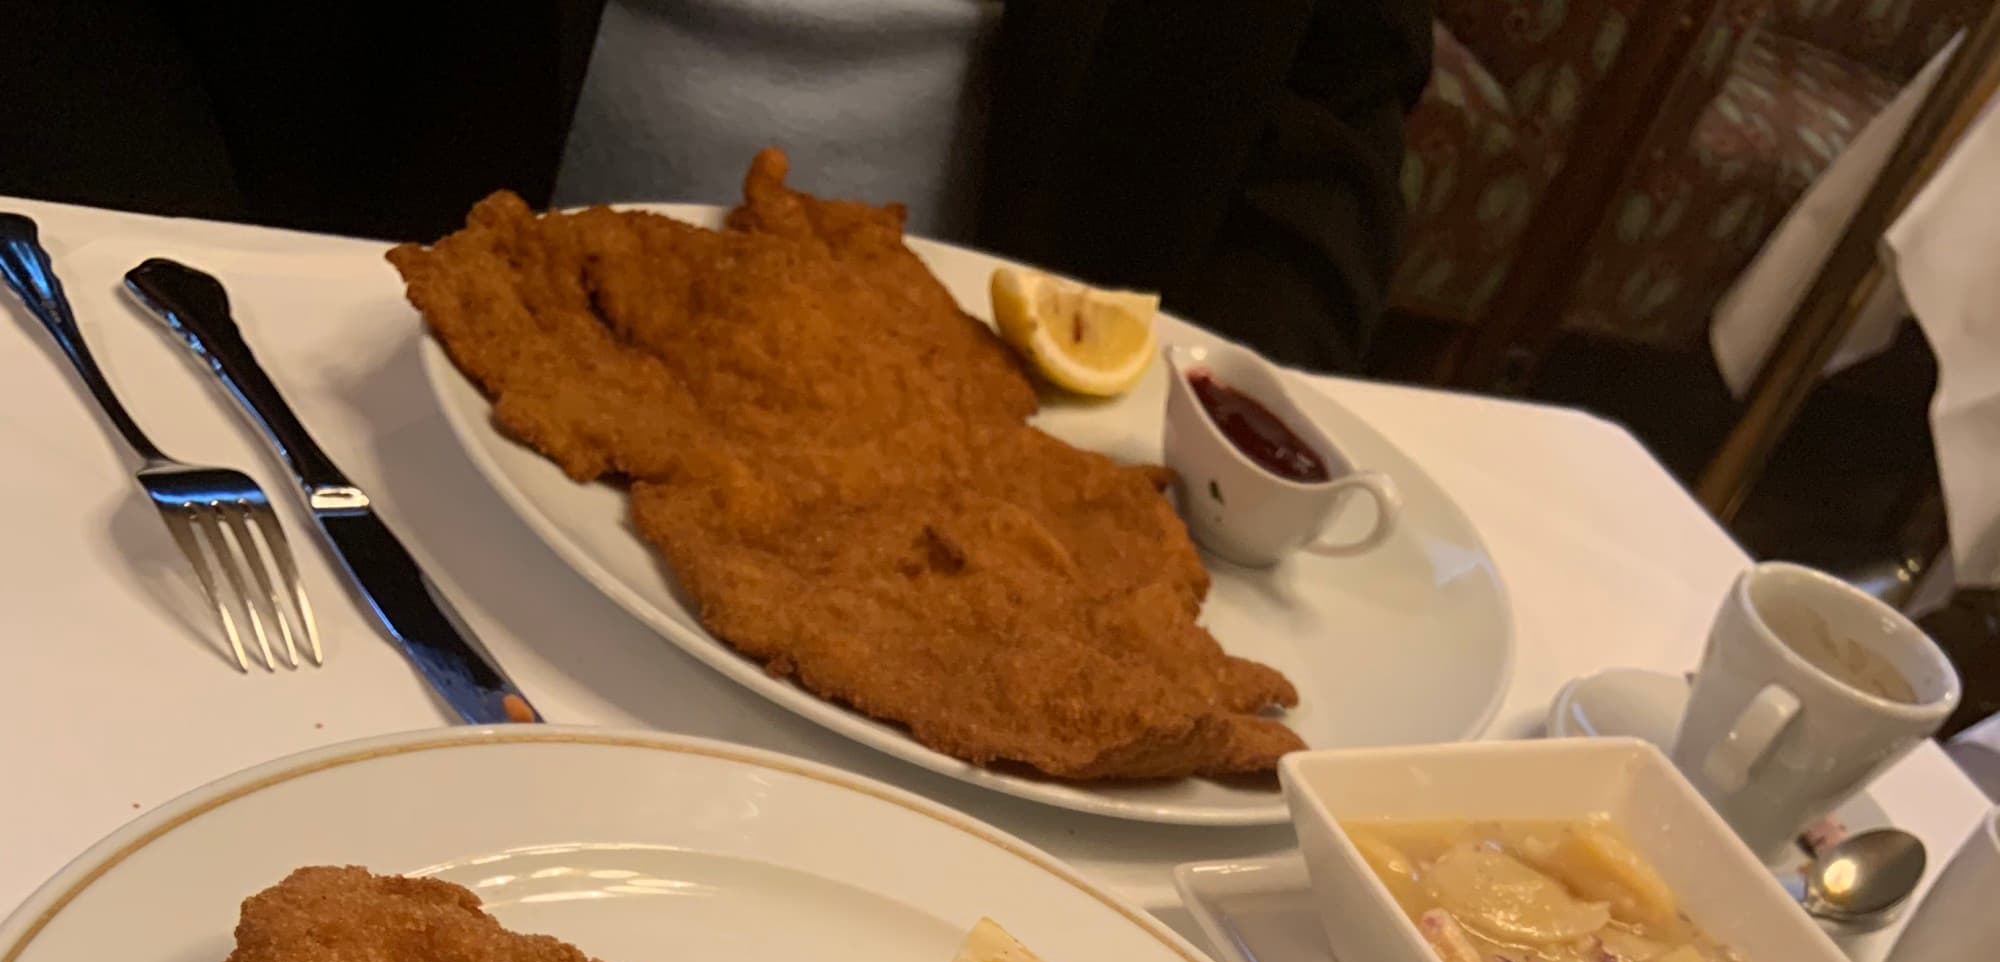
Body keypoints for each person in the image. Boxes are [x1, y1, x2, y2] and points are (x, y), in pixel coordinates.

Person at [2, 0, 1430, 371]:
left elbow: (1341, 90)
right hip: (307, 326)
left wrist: (1199, 401)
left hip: (990, 426)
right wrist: (193, 284)